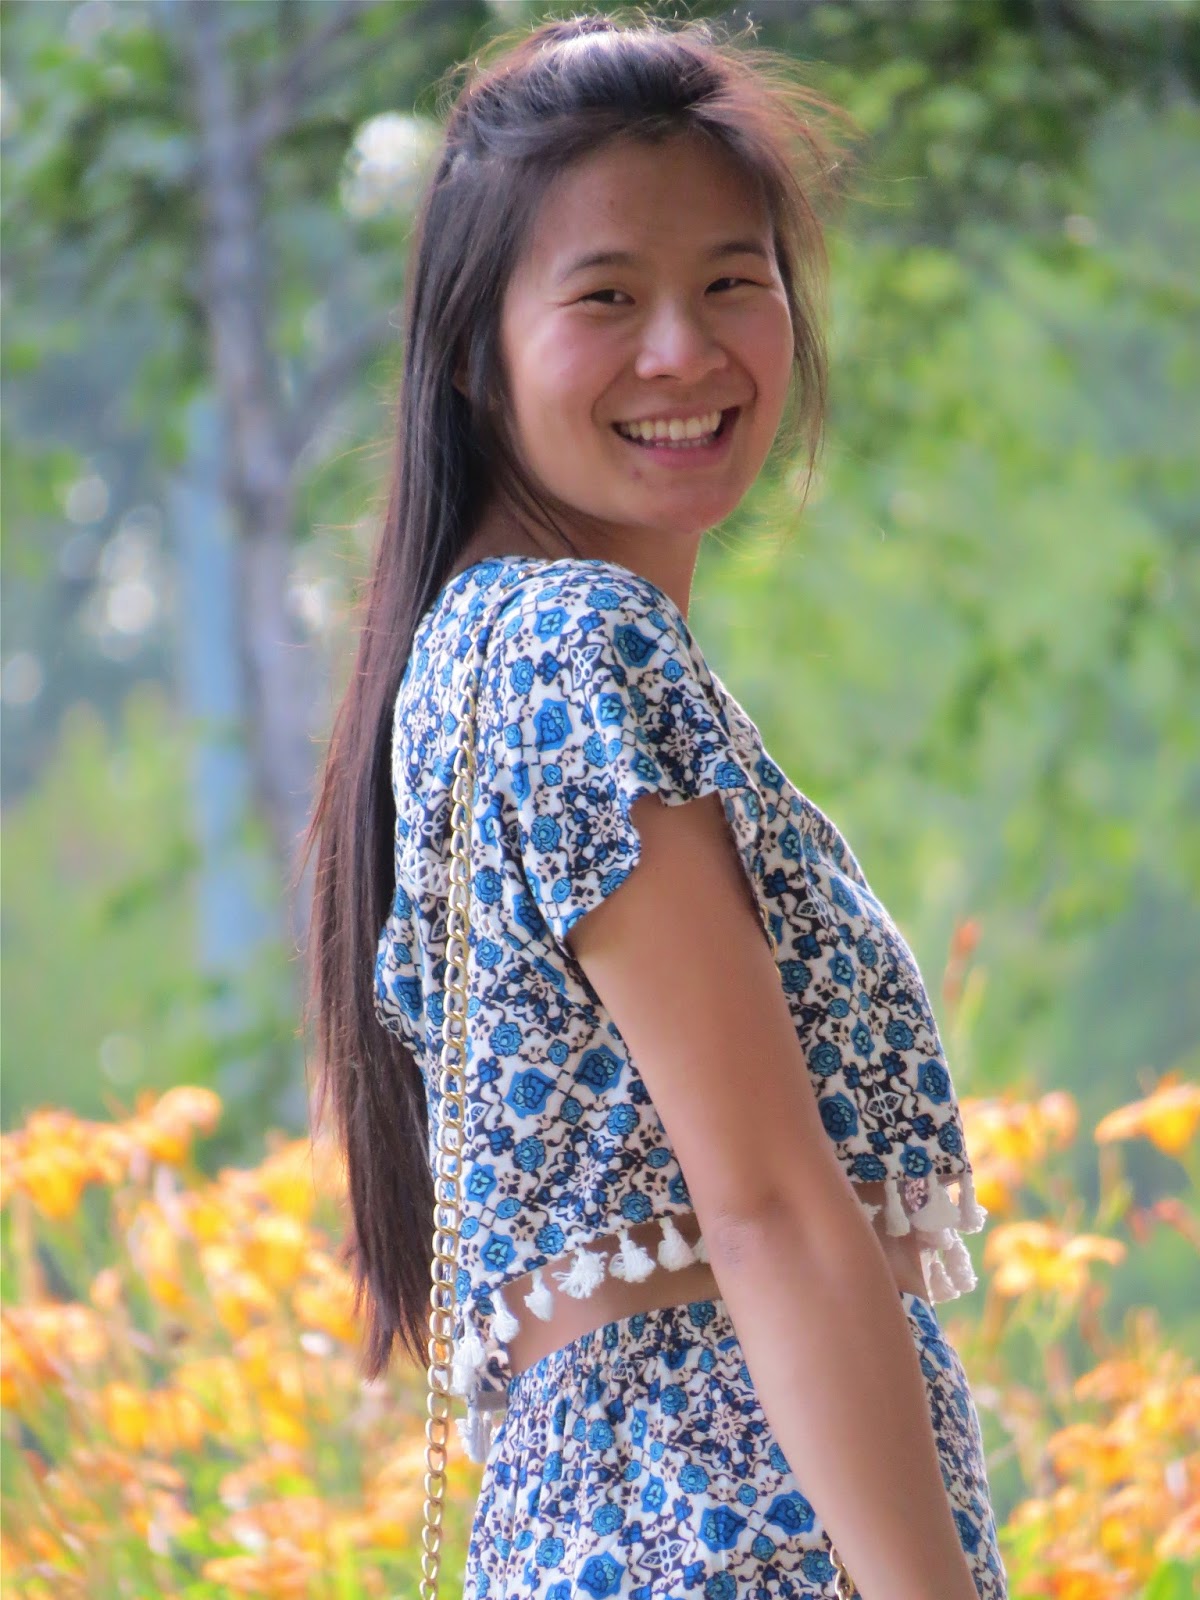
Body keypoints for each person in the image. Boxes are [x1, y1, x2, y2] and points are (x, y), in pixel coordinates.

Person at [303, 13, 1009, 1599]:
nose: (683, 352)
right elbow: (765, 1211)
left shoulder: (476, 659)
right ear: (474, 350)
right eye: (607, 296)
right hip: (729, 1541)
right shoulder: (571, 647)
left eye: (734, 282)